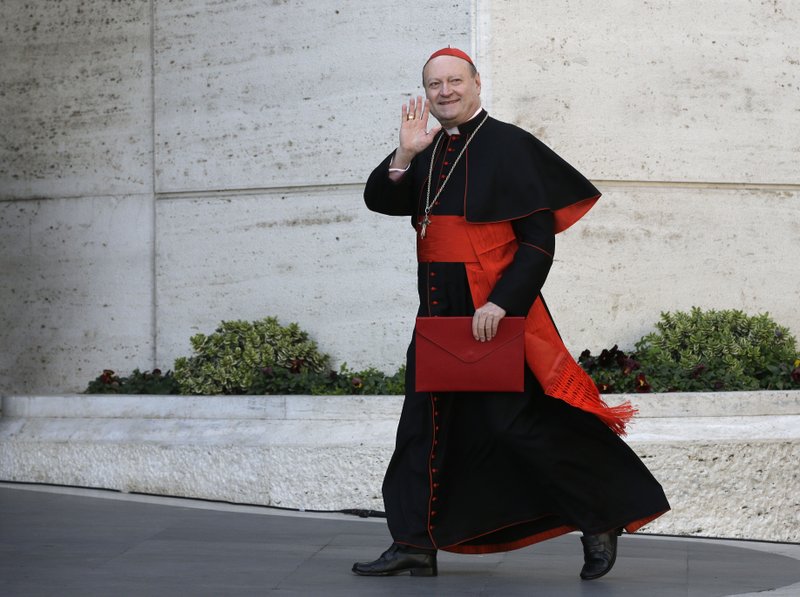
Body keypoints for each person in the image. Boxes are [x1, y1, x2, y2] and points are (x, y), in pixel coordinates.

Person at [353, 47, 670, 581]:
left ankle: (600, 516)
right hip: (436, 310)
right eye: (434, 85)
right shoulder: (425, 148)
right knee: (422, 428)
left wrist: (504, 303)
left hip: (489, 310)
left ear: (477, 84)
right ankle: (412, 542)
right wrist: (404, 155)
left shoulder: (512, 144)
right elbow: (380, 201)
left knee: (517, 425)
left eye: (455, 81)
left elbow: (538, 244)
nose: (445, 92)